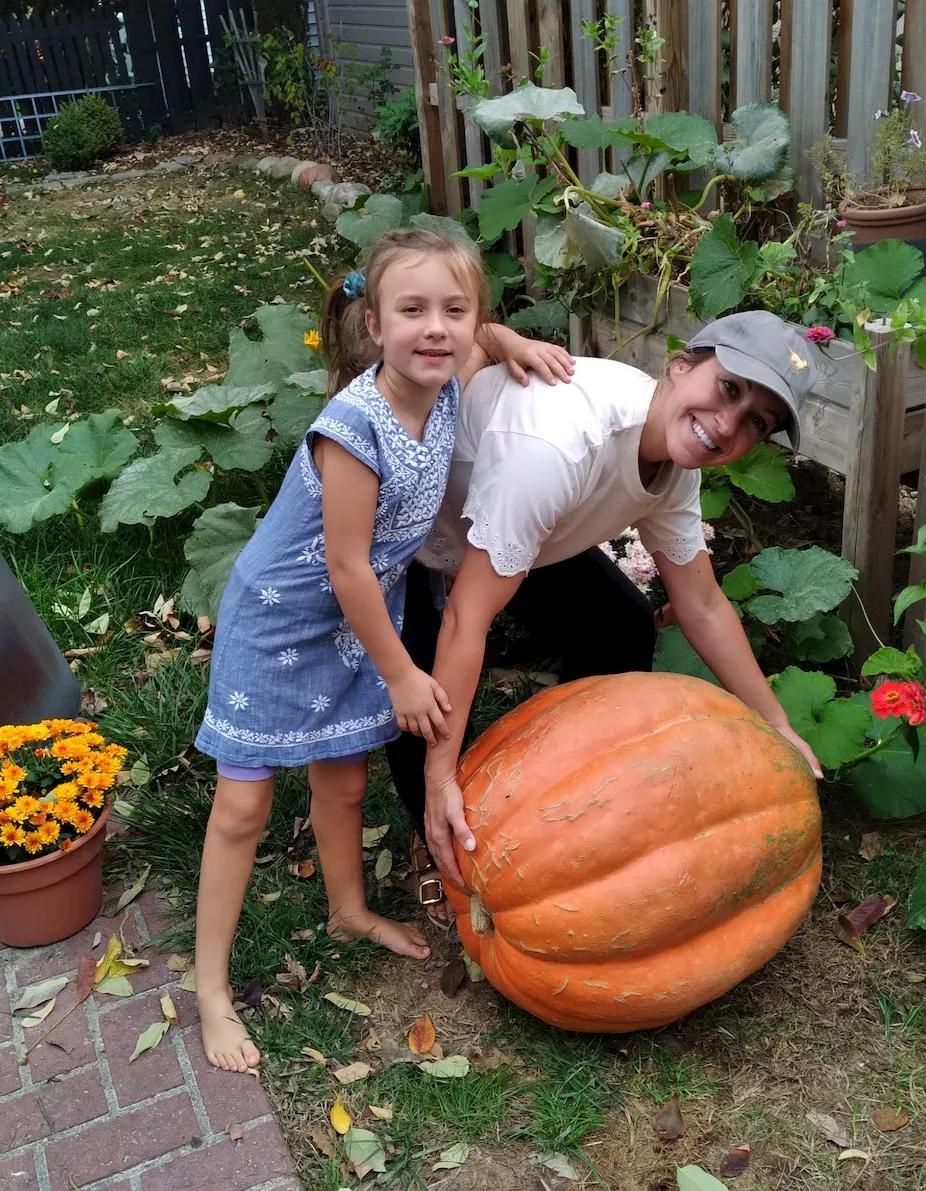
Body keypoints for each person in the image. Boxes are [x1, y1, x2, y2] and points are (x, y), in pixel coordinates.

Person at [191, 226, 571, 1073]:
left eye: (455, 310)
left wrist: (510, 338)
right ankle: (210, 989)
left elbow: (478, 345)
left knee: (346, 779)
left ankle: (347, 908)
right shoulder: (353, 423)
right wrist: (402, 669)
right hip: (284, 618)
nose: (435, 328)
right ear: (372, 322)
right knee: (244, 809)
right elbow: (345, 564)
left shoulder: (445, 380)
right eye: (412, 310)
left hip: (353, 620)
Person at [384, 311, 826, 901]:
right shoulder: (560, 445)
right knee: (416, 686)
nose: (726, 426)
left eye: (755, 422)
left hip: (497, 532)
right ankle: (436, 835)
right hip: (402, 531)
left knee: (620, 624)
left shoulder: (674, 460)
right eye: (729, 388)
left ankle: (575, 796)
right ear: (680, 365)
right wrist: (440, 776)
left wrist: (777, 723)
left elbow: (700, 603)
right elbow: (468, 619)